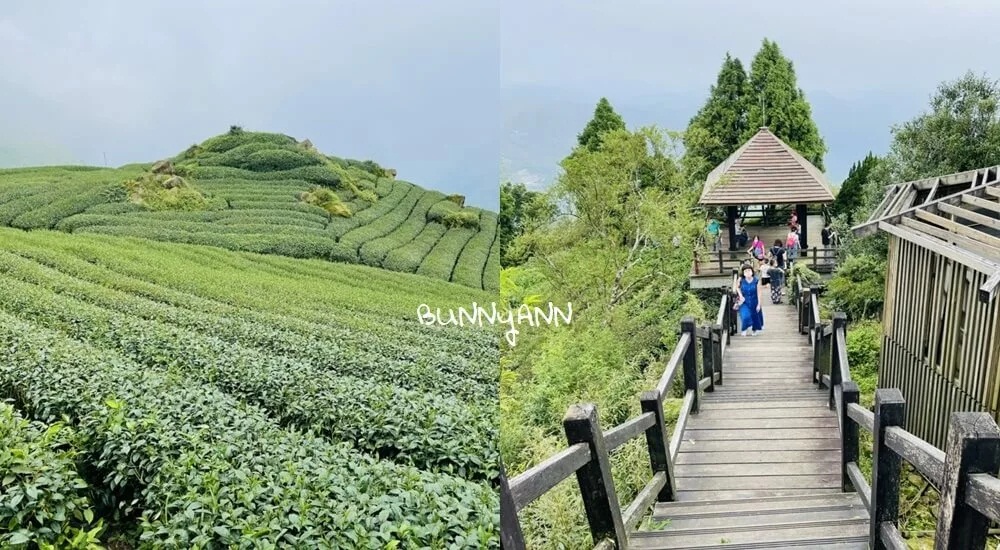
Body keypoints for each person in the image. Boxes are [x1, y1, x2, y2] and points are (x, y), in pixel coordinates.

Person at [736, 265, 764, 336]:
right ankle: (744, 329)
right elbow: (737, 287)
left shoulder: (756, 281)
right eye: (745, 271)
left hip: (754, 300)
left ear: (752, 271)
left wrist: (759, 304)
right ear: (743, 273)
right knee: (745, 316)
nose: (747, 272)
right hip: (744, 301)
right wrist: (741, 295)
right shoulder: (741, 280)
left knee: (755, 316)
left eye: (749, 270)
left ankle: (754, 330)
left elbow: (759, 293)